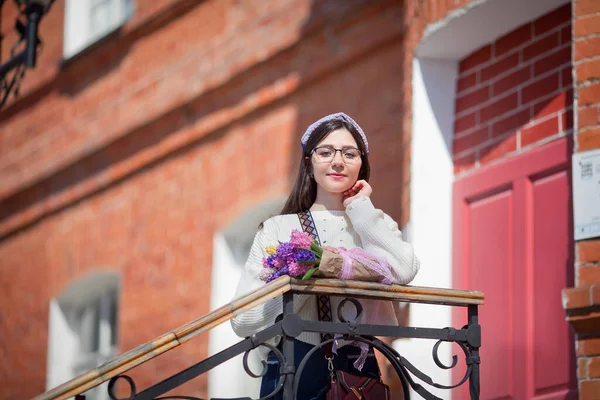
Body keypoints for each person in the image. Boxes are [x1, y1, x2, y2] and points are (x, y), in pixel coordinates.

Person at [231, 112, 420, 399]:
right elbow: (242, 320)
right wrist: (296, 285)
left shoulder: (374, 222)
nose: (337, 161)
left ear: (361, 165)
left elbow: (404, 269)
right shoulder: (278, 228)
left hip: (357, 367)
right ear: (309, 163)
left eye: (349, 153)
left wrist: (361, 209)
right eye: (326, 152)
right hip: (293, 363)